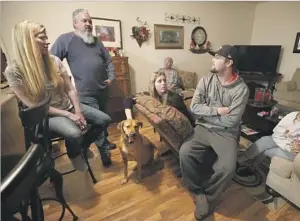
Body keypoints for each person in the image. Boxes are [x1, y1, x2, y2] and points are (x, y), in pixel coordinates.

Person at [4, 20, 112, 170]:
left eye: (46, 37)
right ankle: (74, 154)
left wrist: (78, 111)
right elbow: (35, 106)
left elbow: (70, 89)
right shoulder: (13, 71)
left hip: (67, 106)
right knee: (74, 134)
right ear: (27, 41)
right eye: (42, 37)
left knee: (104, 120)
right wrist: (69, 116)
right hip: (48, 115)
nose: (47, 41)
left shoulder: (54, 61)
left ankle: (80, 147)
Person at [179, 45, 250, 220]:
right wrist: (218, 110)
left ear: (229, 62)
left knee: (227, 168)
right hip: (203, 128)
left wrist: (206, 114)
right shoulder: (205, 80)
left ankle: (208, 197)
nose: (212, 59)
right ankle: (197, 191)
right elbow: (195, 107)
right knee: (185, 153)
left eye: (217, 57)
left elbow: (231, 121)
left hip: (226, 133)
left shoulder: (241, 89)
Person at [50, 8, 116, 166]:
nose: (88, 24)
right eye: (84, 21)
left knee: (104, 122)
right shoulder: (65, 39)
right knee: (97, 123)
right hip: (85, 93)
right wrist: (62, 83)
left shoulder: (97, 41)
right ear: (74, 23)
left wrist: (111, 78)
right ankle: (104, 152)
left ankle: (103, 143)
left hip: (103, 90)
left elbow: (108, 61)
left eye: (90, 21)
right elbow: (51, 62)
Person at [124, 71, 195, 127]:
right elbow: (127, 99)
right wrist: (129, 119)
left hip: (190, 123)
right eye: (159, 81)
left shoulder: (174, 98)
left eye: (164, 80)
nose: (163, 83)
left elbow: (186, 118)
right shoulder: (150, 96)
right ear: (153, 84)